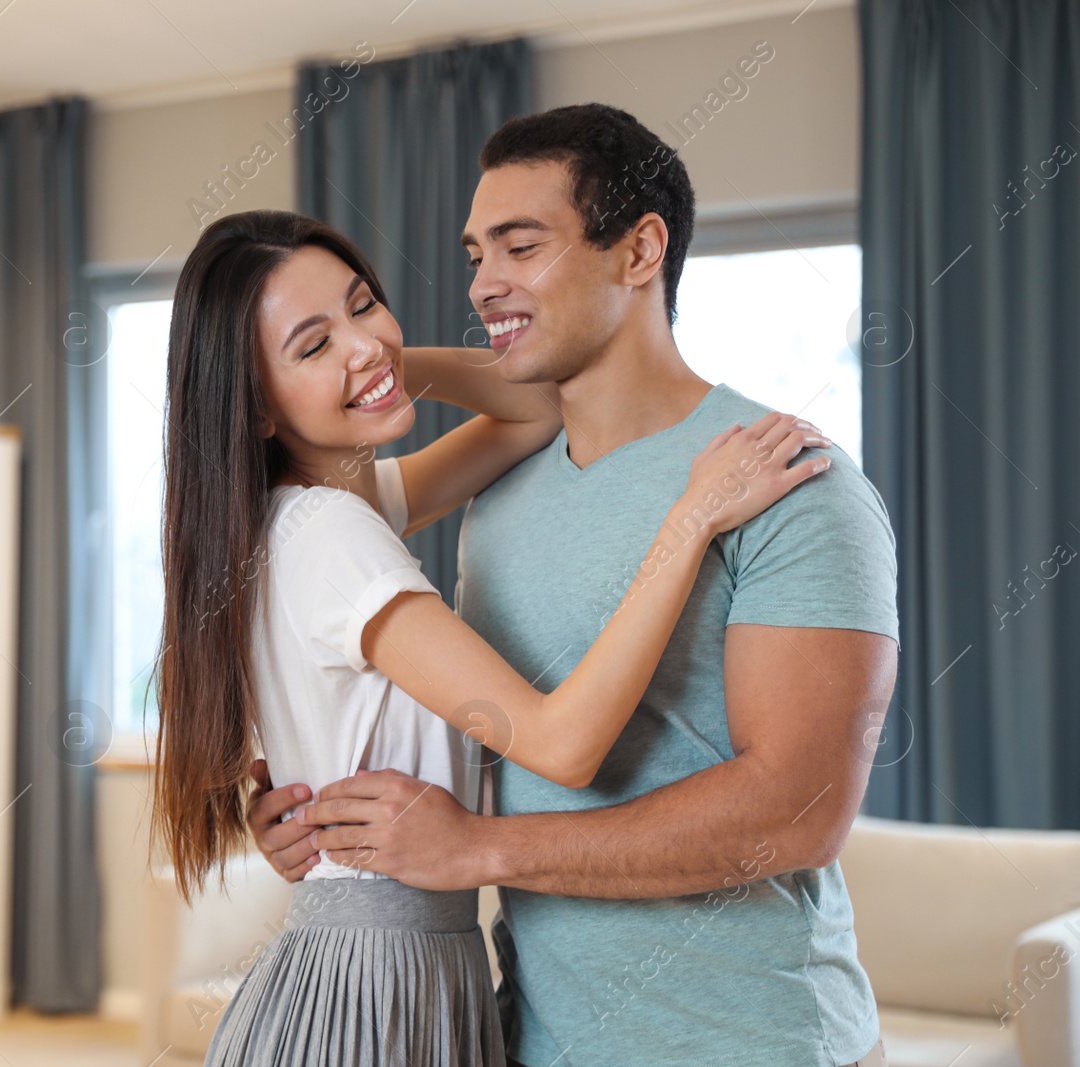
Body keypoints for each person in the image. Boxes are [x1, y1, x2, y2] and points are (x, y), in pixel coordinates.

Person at [250, 104, 901, 1067]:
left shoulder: (788, 478)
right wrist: (316, 818)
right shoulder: (498, 492)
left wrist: (480, 849)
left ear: (640, 252)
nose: (481, 283)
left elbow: (796, 812)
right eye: (475, 254)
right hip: (532, 1040)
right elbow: (479, 728)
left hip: (754, 1043)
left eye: (520, 246)